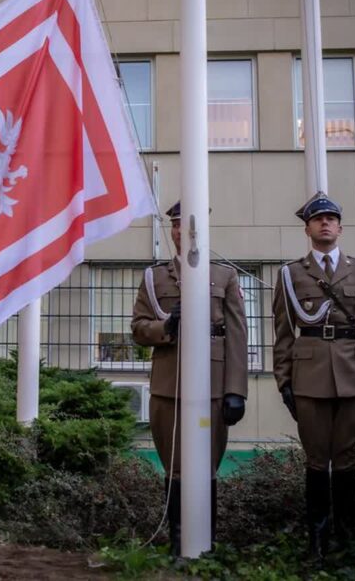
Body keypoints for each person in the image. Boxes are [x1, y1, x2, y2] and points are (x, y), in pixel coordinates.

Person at [272, 192, 355, 561]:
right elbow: (282, 333)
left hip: (354, 375)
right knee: (316, 459)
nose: (325, 223)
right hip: (308, 377)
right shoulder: (291, 274)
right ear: (307, 229)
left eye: (331, 218)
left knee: (345, 458)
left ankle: (348, 537)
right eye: (318, 219)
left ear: (340, 228)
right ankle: (318, 539)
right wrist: (284, 381)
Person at [131, 201, 248, 556]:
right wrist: (166, 326)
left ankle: (206, 543)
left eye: (189, 224)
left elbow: (237, 336)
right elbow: (138, 329)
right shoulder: (155, 278)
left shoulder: (224, 276)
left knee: (208, 464)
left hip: (213, 384)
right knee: (175, 465)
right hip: (170, 384)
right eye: (177, 225)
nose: (183, 231)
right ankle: (179, 543)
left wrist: (236, 390)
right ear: (172, 230)